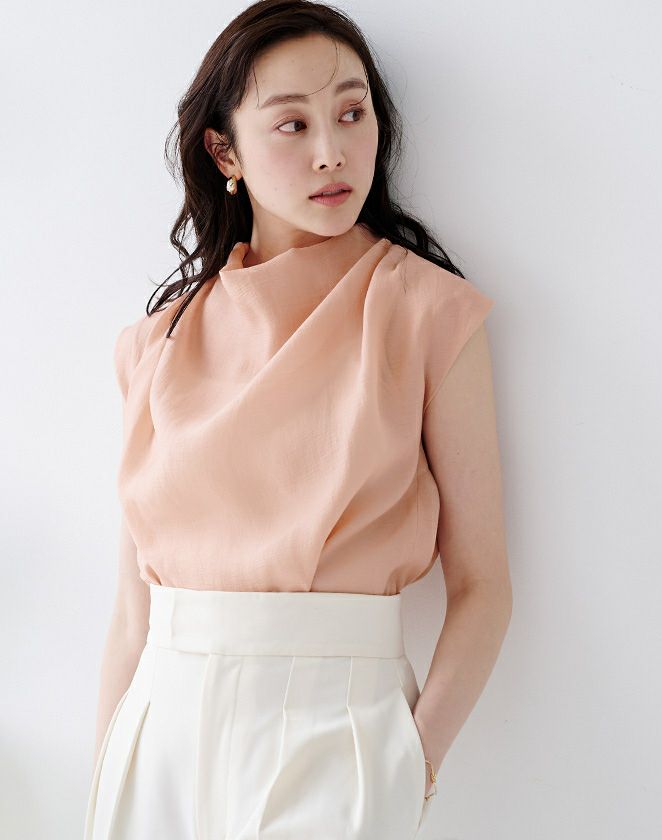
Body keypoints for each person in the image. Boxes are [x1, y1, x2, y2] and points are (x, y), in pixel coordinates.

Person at [84, 1, 512, 838]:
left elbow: (483, 585)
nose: (332, 152)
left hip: (340, 736)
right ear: (225, 152)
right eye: (293, 124)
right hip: (158, 743)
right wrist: (105, 781)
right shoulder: (153, 345)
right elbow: (131, 617)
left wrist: (411, 766)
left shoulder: (426, 312)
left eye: (352, 114)